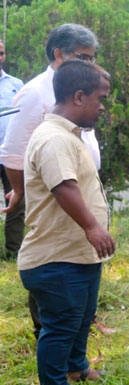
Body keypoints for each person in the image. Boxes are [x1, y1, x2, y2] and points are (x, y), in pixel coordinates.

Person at [0, 23, 113, 337]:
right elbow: (12, 151)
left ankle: (81, 324)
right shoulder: (35, 93)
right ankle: (47, 328)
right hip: (53, 192)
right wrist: (20, 191)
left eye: (92, 58)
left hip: (77, 189)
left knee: (77, 264)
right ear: (58, 53)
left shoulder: (82, 86)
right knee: (52, 261)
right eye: (82, 56)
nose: (89, 64)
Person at [19, 60, 114, 385]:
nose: (101, 106)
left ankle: (76, 366)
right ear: (78, 97)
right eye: (98, 98)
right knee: (60, 326)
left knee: (81, 316)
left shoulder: (68, 135)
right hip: (55, 258)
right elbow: (64, 188)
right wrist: (93, 227)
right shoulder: (53, 138)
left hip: (77, 255)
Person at [0, 40, 24, 260]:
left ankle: (13, 252)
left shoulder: (16, 84)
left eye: (1, 53)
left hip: (10, 155)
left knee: (16, 201)